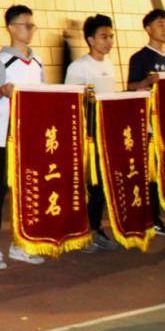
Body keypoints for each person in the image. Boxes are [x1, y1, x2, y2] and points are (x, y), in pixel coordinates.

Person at [0, 5, 47, 268]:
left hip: (31, 137)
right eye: (25, 25)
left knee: (28, 190)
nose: (29, 30)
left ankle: (22, 243)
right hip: (5, 136)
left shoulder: (38, 62)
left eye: (32, 25)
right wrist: (1, 91)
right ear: (11, 28)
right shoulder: (2, 61)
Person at [64, 14, 124, 254]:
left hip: (106, 133)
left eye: (111, 37)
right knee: (86, 185)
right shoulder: (79, 67)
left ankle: (95, 229)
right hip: (86, 135)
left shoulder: (109, 65)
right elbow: (70, 102)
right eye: (104, 37)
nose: (109, 41)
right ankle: (80, 233)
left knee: (101, 185)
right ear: (90, 39)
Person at [126, 8, 165, 237]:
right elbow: (130, 87)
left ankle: (152, 215)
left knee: (161, 172)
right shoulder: (140, 57)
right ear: (148, 29)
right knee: (148, 173)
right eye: (160, 24)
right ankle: (150, 218)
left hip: (164, 124)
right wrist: (147, 82)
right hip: (146, 124)